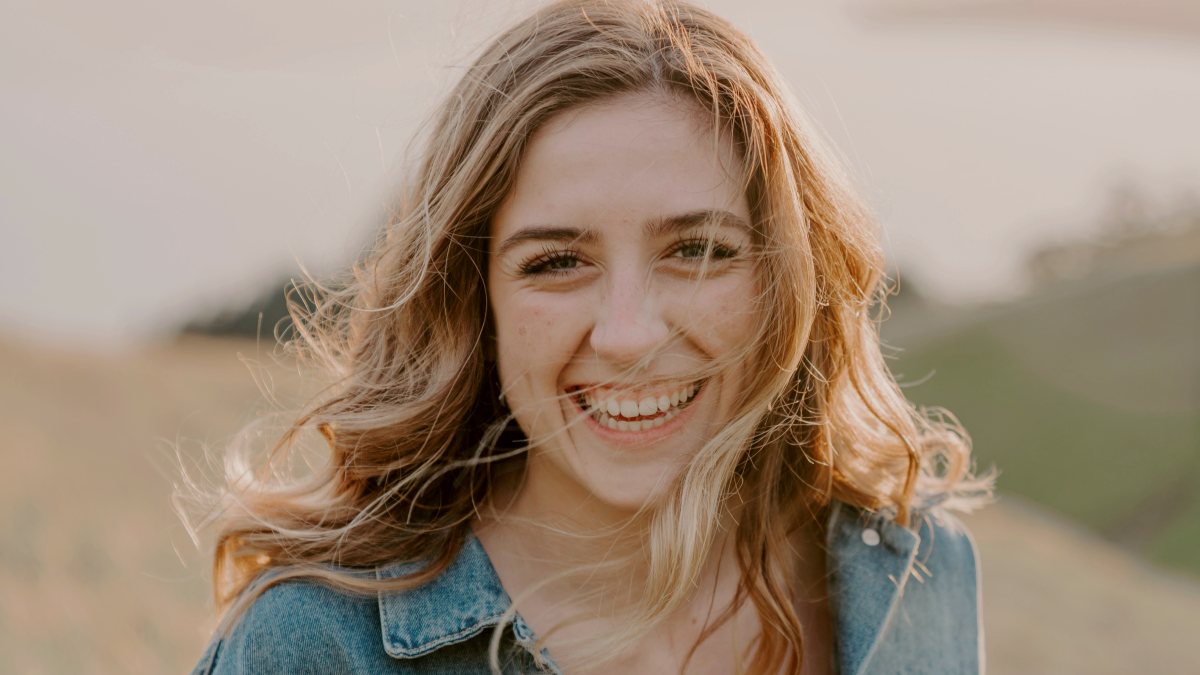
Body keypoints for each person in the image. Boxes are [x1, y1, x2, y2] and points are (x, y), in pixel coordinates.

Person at [186, 1, 992, 673]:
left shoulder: (911, 576)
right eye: (558, 262)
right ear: (477, 299)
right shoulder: (316, 645)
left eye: (697, 250)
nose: (629, 333)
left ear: (786, 277)